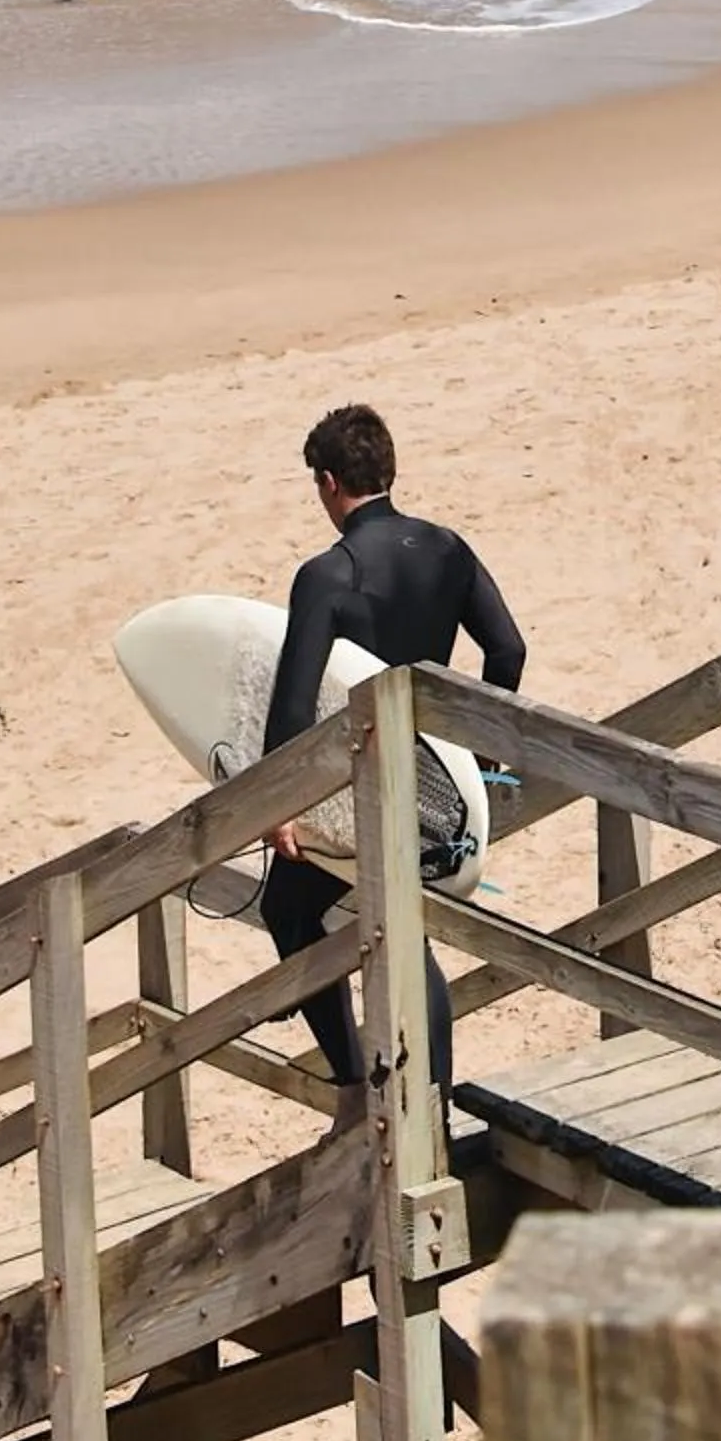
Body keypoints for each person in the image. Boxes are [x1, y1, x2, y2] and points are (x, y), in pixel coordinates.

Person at [262, 404, 526, 1110]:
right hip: (435, 785)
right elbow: (508, 651)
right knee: (409, 925)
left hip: (360, 781)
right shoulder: (447, 549)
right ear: (387, 470)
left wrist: (276, 805)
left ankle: (355, 1087)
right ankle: (432, 1101)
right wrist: (475, 760)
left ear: (327, 482)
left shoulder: (329, 574)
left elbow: (292, 705)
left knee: (288, 908)